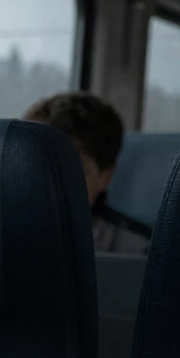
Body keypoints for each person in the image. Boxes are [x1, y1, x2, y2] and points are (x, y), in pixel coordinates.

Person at [23, 92, 152, 255]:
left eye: (71, 173)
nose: (49, 185)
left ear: (104, 177)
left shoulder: (142, 251)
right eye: (35, 166)